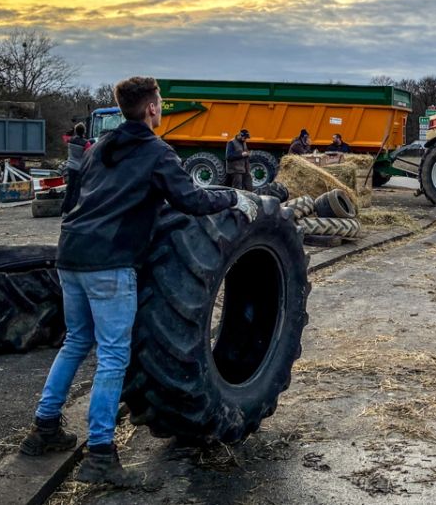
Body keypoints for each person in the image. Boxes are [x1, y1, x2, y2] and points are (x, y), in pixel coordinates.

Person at [20, 76, 258, 487]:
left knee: (76, 341)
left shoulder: (100, 149)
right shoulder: (155, 151)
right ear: (151, 108)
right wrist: (235, 198)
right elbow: (192, 200)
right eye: (160, 101)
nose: (161, 107)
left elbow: (79, 198)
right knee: (113, 356)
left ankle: (44, 429)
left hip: (70, 254)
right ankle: (99, 455)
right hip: (109, 263)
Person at [62, 124, 89, 214]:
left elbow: (65, 137)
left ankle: (64, 208)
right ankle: (73, 209)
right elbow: (89, 154)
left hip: (70, 167)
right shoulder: (86, 143)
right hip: (80, 168)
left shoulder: (70, 140)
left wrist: (70, 131)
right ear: (84, 131)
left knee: (69, 188)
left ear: (76, 131)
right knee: (77, 190)